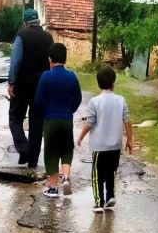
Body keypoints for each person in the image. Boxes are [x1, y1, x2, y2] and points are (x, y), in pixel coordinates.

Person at [76, 65, 134, 213]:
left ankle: (99, 202)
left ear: (98, 83)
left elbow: (90, 123)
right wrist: (129, 140)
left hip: (99, 146)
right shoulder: (121, 100)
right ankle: (111, 196)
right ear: (113, 83)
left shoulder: (95, 101)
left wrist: (81, 137)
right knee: (111, 172)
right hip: (115, 145)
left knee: (97, 175)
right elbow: (127, 120)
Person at [35, 43, 82, 198]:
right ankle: (66, 178)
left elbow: (38, 101)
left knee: (51, 152)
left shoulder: (45, 77)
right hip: (66, 119)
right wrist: (70, 110)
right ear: (65, 59)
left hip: (50, 120)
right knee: (67, 149)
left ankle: (53, 187)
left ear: (50, 59)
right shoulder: (72, 76)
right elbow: (78, 98)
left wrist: (43, 113)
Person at [7, 9, 53, 167]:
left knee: (15, 118)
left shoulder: (21, 36)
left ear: (25, 23)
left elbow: (15, 61)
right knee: (37, 122)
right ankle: (33, 159)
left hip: (22, 85)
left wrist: (11, 82)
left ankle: (24, 149)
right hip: (42, 86)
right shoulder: (49, 38)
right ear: (38, 21)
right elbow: (51, 62)